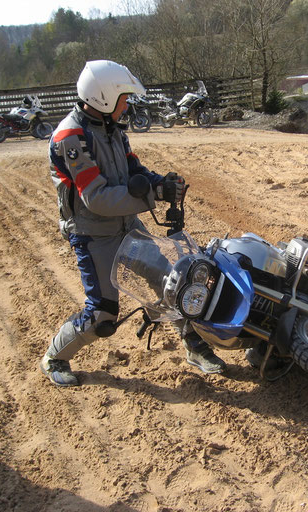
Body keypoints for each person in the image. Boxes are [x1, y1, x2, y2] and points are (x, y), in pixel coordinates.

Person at [40, 60, 226, 387]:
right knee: (102, 315)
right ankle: (55, 356)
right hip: (93, 234)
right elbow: (95, 198)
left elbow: (133, 171)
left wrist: (163, 182)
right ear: (102, 98)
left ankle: (195, 346)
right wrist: (154, 193)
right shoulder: (71, 136)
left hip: (127, 225)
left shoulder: (112, 130)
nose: (127, 104)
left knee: (170, 280)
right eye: (123, 98)